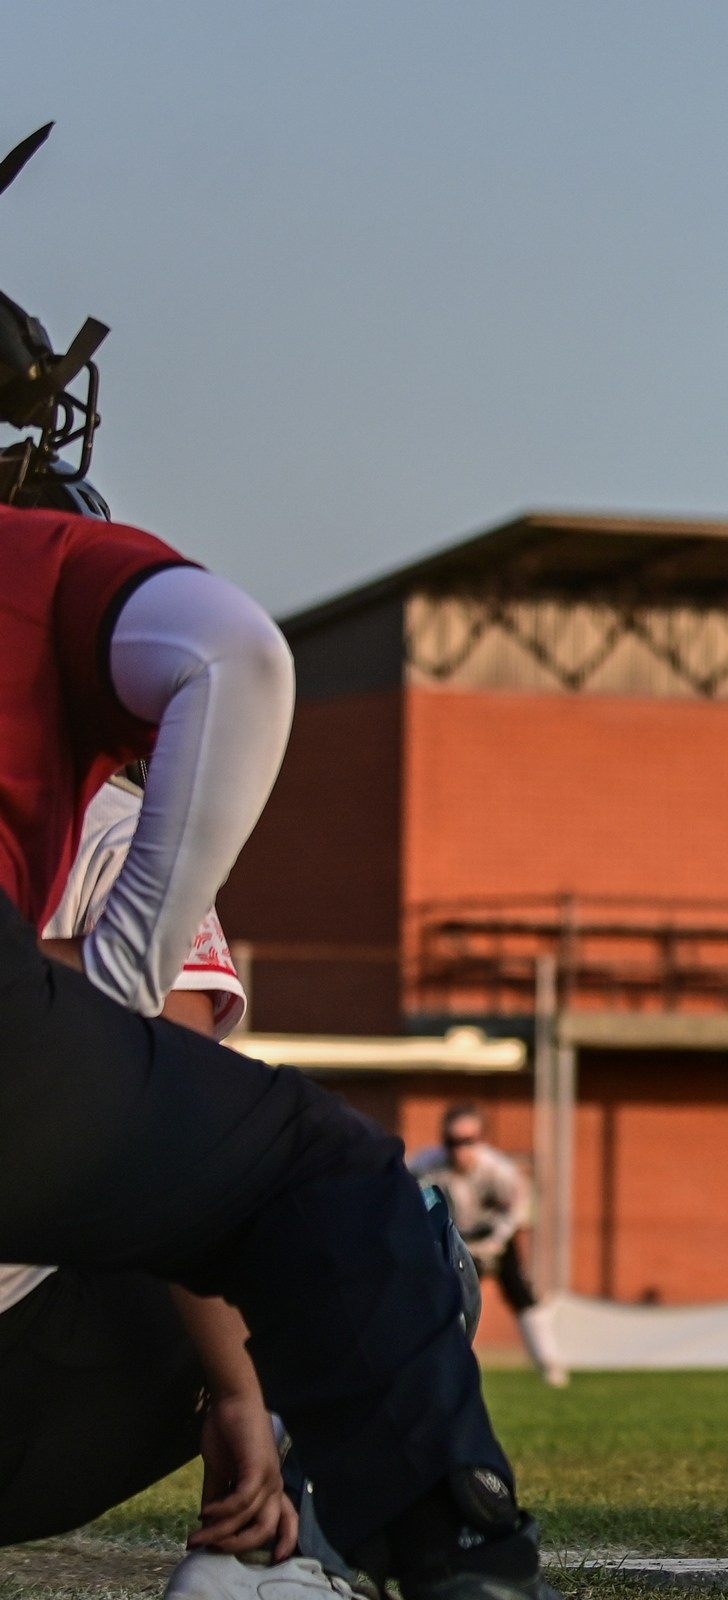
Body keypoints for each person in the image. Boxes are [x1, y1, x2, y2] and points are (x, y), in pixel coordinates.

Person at [0, 497, 560, 1600]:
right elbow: (182, 1132)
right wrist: (239, 1393)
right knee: (366, 1214)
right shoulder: (115, 803)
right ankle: (285, 1553)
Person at [0, 773, 278, 1569]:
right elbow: (172, 1086)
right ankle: (268, 1567)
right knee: (399, 1236)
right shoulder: (120, 829)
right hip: (23, 1373)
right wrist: (238, 1387)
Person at [413, 1105, 568, 1388]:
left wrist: (496, 1241)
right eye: (453, 1142)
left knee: (520, 1292)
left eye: (468, 1141)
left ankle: (550, 1364)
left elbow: (520, 1206)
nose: (460, 1149)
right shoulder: (426, 1164)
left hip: (493, 1238)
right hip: (453, 1238)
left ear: (480, 1140)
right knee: (442, 1298)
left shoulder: (497, 1169)